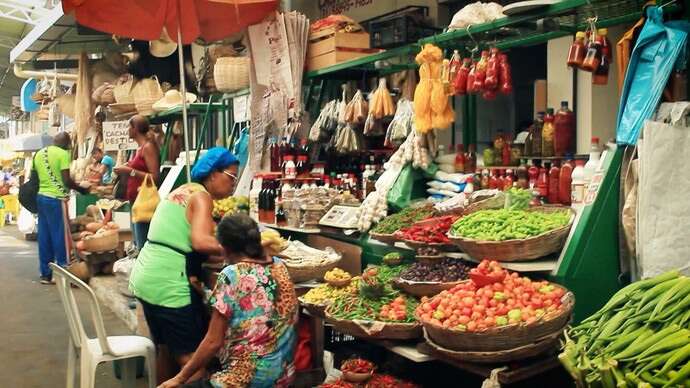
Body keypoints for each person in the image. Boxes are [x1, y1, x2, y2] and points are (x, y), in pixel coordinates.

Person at [129, 147, 239, 384]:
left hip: (147, 276)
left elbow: (182, 239)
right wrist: (240, 248)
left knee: (167, 349)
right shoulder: (202, 197)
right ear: (212, 174)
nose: (234, 184)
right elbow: (200, 241)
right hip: (169, 283)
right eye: (231, 177)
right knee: (192, 365)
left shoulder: (184, 190)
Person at [159, 214, 298, 388]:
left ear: (225, 248)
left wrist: (179, 378)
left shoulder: (232, 274)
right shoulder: (280, 265)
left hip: (247, 378)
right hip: (284, 375)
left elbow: (213, 341)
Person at [34, 132, 88, 284]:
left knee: (44, 236)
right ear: (66, 144)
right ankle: (66, 273)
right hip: (56, 199)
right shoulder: (63, 154)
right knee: (60, 235)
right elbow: (66, 180)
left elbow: (35, 177)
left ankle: (46, 274)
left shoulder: (39, 153)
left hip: (41, 197)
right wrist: (82, 189)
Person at [114, 115, 160, 249]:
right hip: (135, 201)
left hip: (144, 202)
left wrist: (129, 171)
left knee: (142, 243)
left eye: (129, 126)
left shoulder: (148, 147)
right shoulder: (139, 148)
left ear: (136, 129)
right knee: (137, 241)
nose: (127, 130)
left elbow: (154, 176)